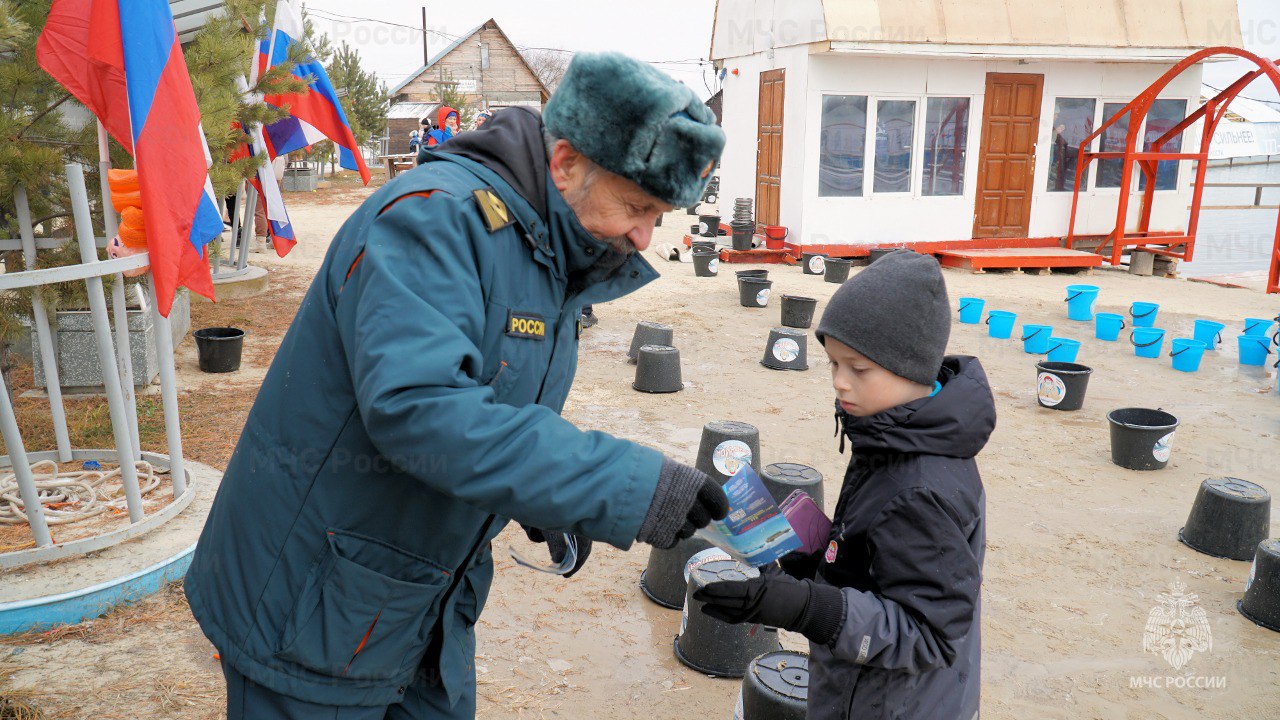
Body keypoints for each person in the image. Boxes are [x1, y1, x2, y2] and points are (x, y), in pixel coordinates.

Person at [184, 51, 728, 720]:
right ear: (564, 164)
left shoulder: (549, 248)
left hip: (415, 603)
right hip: (308, 608)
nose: (644, 236)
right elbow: (423, 412)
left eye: (660, 216)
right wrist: (625, 485)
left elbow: (494, 400)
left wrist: (549, 499)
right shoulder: (431, 222)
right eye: (636, 206)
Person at [694, 251, 994, 720]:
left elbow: (930, 632)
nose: (839, 383)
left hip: (898, 704)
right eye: (833, 363)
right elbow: (882, 555)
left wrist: (805, 607)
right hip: (858, 689)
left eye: (858, 369)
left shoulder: (923, 486)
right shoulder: (890, 432)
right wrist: (814, 556)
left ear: (911, 366)